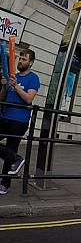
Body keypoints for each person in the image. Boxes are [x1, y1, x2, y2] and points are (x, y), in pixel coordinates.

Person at [0, 48, 40, 195]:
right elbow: (2, 98)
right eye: (20, 58)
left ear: (31, 63)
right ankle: (16, 159)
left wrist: (16, 85)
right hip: (5, 117)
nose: (21, 61)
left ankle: (4, 184)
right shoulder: (13, 76)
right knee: (9, 153)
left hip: (19, 121)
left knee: (11, 148)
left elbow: (29, 99)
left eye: (24, 59)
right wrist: (4, 85)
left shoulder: (33, 78)